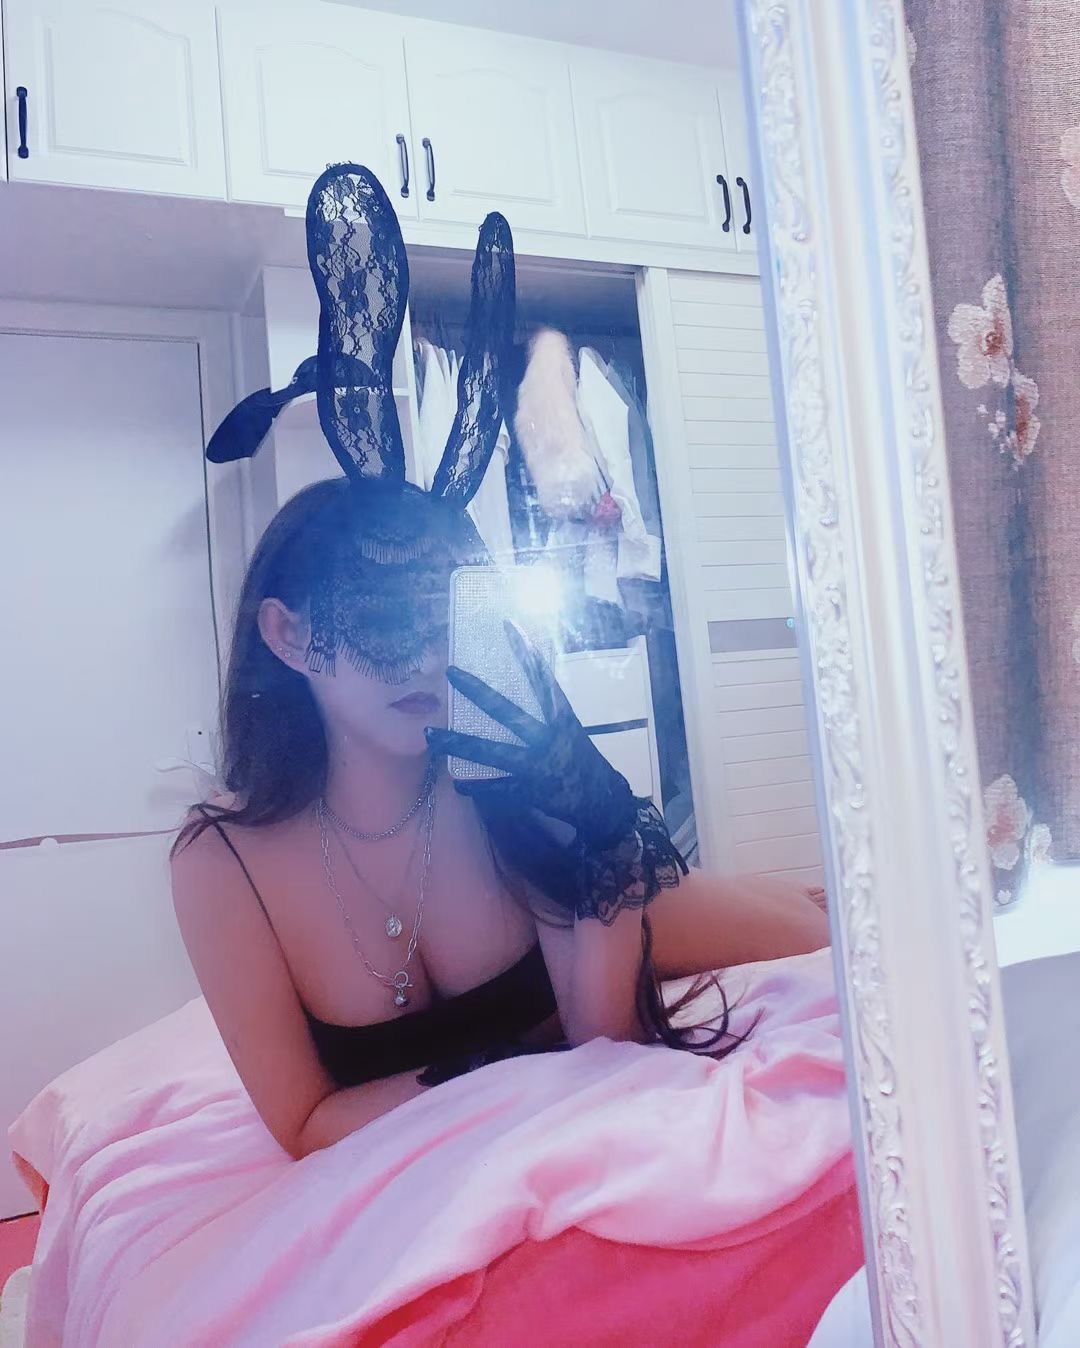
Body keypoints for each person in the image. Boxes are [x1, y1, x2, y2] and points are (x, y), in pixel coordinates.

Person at [171, 164, 827, 1161]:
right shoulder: (223, 863)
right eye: (387, 614)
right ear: (288, 635)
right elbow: (305, 1123)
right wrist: (503, 1070)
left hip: (624, 909)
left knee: (819, 927)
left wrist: (585, 825)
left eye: (452, 610)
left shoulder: (500, 760)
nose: (430, 654)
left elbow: (601, 1043)